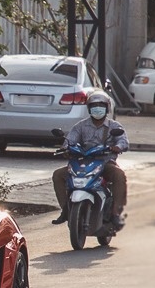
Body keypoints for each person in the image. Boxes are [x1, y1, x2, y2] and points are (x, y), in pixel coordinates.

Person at [50, 90, 129, 227]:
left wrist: (117, 147)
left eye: (101, 105)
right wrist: (65, 148)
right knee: (58, 175)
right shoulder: (80, 126)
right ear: (89, 108)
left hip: (105, 164)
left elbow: (123, 142)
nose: (97, 108)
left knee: (119, 175)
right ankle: (65, 210)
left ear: (107, 108)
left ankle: (116, 213)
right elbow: (70, 140)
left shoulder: (114, 126)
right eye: (94, 105)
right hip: (82, 163)